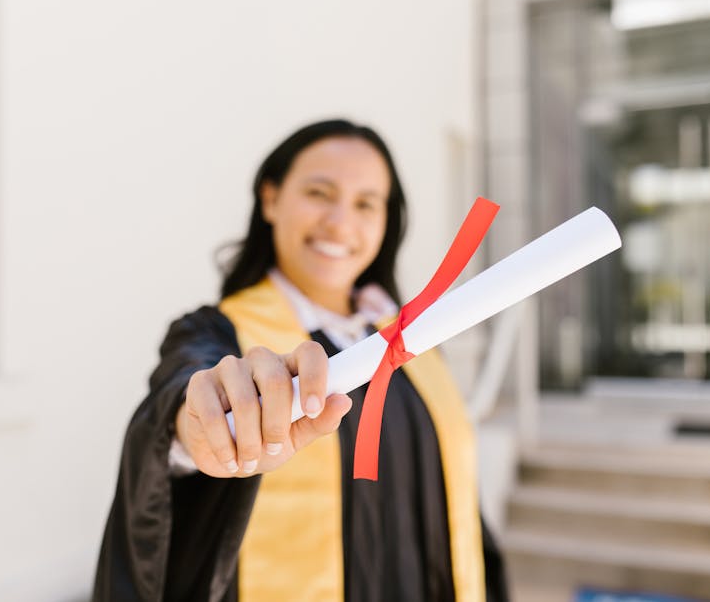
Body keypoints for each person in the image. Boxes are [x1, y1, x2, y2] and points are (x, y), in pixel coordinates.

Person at [92, 119, 509, 602]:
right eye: (319, 192)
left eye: (365, 203)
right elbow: (183, 396)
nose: (340, 222)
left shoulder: (411, 342)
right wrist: (198, 428)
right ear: (270, 198)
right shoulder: (218, 335)